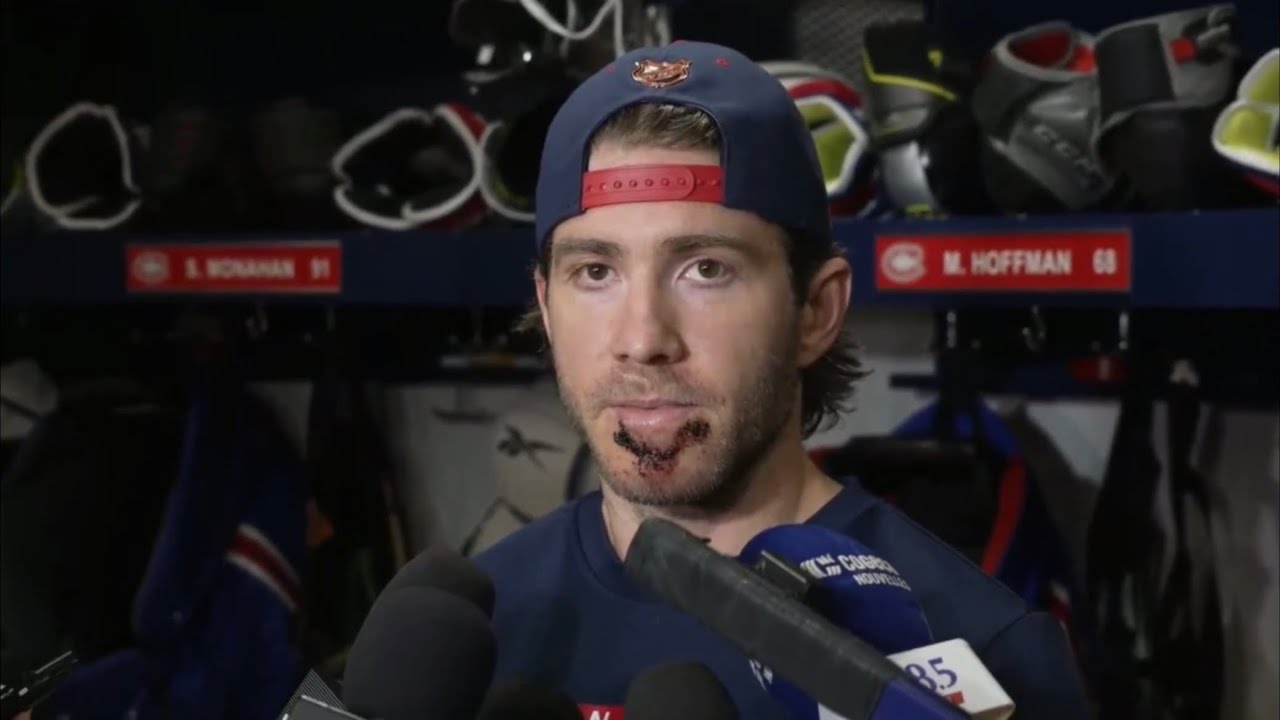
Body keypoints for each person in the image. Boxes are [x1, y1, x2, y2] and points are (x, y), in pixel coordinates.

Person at [474, 40, 1090, 719]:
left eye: (706, 268)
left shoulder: (983, 654)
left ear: (816, 311)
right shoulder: (482, 627)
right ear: (546, 308)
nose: (642, 339)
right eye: (595, 272)